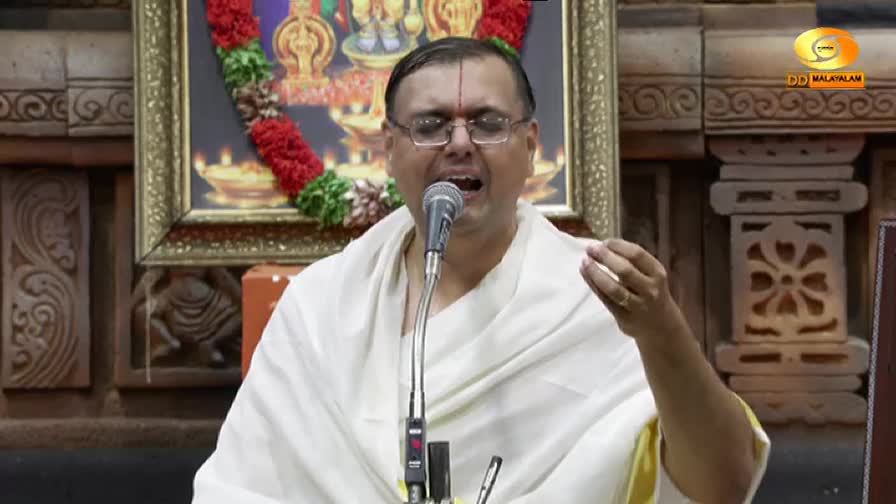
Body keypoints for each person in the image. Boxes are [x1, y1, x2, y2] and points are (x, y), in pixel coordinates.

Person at [192, 37, 769, 503]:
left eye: (488, 123)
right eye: (431, 125)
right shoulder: (319, 306)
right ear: (388, 147)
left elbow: (724, 485)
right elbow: (241, 488)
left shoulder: (596, 296)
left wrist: (660, 331)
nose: (460, 144)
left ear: (531, 145)